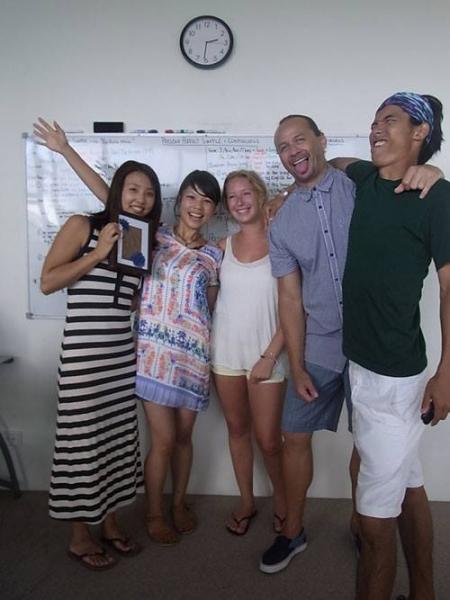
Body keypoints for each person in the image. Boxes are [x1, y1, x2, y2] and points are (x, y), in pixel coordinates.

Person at [259, 114, 442, 575]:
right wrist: (297, 364)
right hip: (319, 346)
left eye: (300, 139)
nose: (293, 151)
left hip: (372, 348)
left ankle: (364, 526)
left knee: (368, 443)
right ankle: (292, 531)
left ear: (322, 141)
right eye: (283, 147)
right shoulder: (281, 222)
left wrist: (432, 170)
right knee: (293, 435)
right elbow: (289, 298)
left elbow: (401, 174)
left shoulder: (361, 184)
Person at [34, 120, 223, 547]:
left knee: (127, 439)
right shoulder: (129, 235)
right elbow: (110, 201)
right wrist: (66, 150)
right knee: (101, 441)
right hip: (120, 356)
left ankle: (132, 518)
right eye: (190, 197)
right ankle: (104, 528)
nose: (140, 199)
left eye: (149, 193)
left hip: (148, 355)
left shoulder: (194, 250)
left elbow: (210, 304)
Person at [335, 92, 450, 600]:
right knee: (409, 486)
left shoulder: (437, 198)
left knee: (374, 525)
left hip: (395, 379)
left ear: (420, 132)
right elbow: (335, 161)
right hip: (360, 368)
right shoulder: (364, 180)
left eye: (391, 120)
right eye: (374, 121)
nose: (376, 129)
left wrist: (448, 372)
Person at [40, 158, 162, 571]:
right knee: (81, 445)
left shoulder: (138, 239)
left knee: (115, 441)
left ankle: (109, 524)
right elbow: (48, 281)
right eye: (132, 189)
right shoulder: (83, 226)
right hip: (84, 361)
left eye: (149, 193)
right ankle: (79, 536)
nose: (140, 199)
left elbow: (128, 300)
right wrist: (97, 254)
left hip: (120, 358)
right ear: (117, 191)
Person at [210, 170, 287, 536]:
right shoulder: (221, 247)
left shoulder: (282, 243)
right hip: (225, 355)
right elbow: (209, 301)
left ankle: (285, 503)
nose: (239, 201)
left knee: (269, 440)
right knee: (237, 430)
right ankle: (246, 501)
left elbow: (296, 309)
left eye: (246, 193)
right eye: (232, 196)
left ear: (260, 195)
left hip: (267, 358)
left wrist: (270, 356)